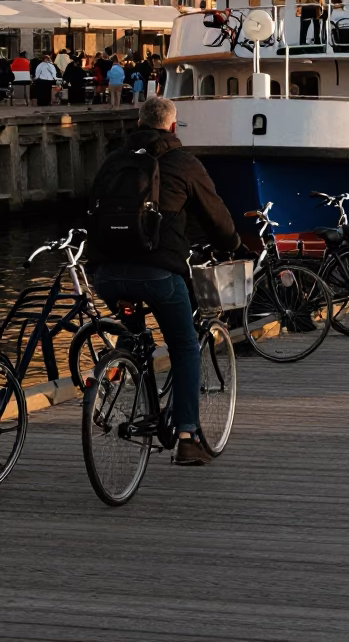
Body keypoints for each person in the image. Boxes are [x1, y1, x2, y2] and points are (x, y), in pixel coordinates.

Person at [88, 95, 241, 466]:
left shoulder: (112, 162)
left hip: (105, 273)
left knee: (134, 332)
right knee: (185, 346)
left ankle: (120, 371)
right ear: (173, 126)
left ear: (140, 123)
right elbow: (215, 217)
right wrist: (233, 245)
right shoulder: (184, 163)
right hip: (159, 273)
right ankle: (187, 437)